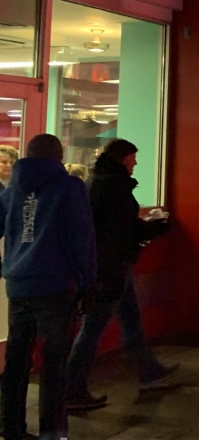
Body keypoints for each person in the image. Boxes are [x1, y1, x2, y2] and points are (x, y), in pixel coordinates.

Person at [0, 134, 96, 440]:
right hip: (55, 287)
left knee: (16, 362)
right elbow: (80, 239)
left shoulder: (12, 188)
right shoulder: (70, 188)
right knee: (54, 364)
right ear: (59, 156)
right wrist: (87, 283)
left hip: (18, 284)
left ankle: (10, 436)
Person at [66, 139, 177, 412]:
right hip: (110, 268)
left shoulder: (97, 181)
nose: (136, 163)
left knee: (131, 320)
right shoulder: (115, 186)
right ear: (123, 158)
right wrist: (154, 228)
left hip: (109, 265)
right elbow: (121, 229)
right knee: (93, 328)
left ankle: (149, 370)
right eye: (133, 158)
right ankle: (70, 389)